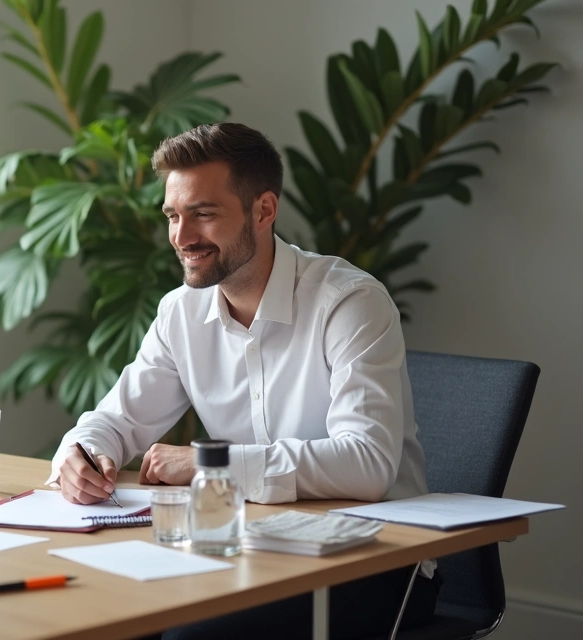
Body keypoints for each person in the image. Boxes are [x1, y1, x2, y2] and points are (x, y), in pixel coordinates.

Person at [48, 122, 438, 639]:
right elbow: (117, 420)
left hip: (372, 563)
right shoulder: (180, 313)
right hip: (240, 550)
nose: (182, 238)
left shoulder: (348, 302)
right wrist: (83, 451)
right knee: (99, 615)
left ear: (264, 210)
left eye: (204, 215)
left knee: (186, 635)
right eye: (173, 215)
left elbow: (367, 465)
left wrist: (207, 465)